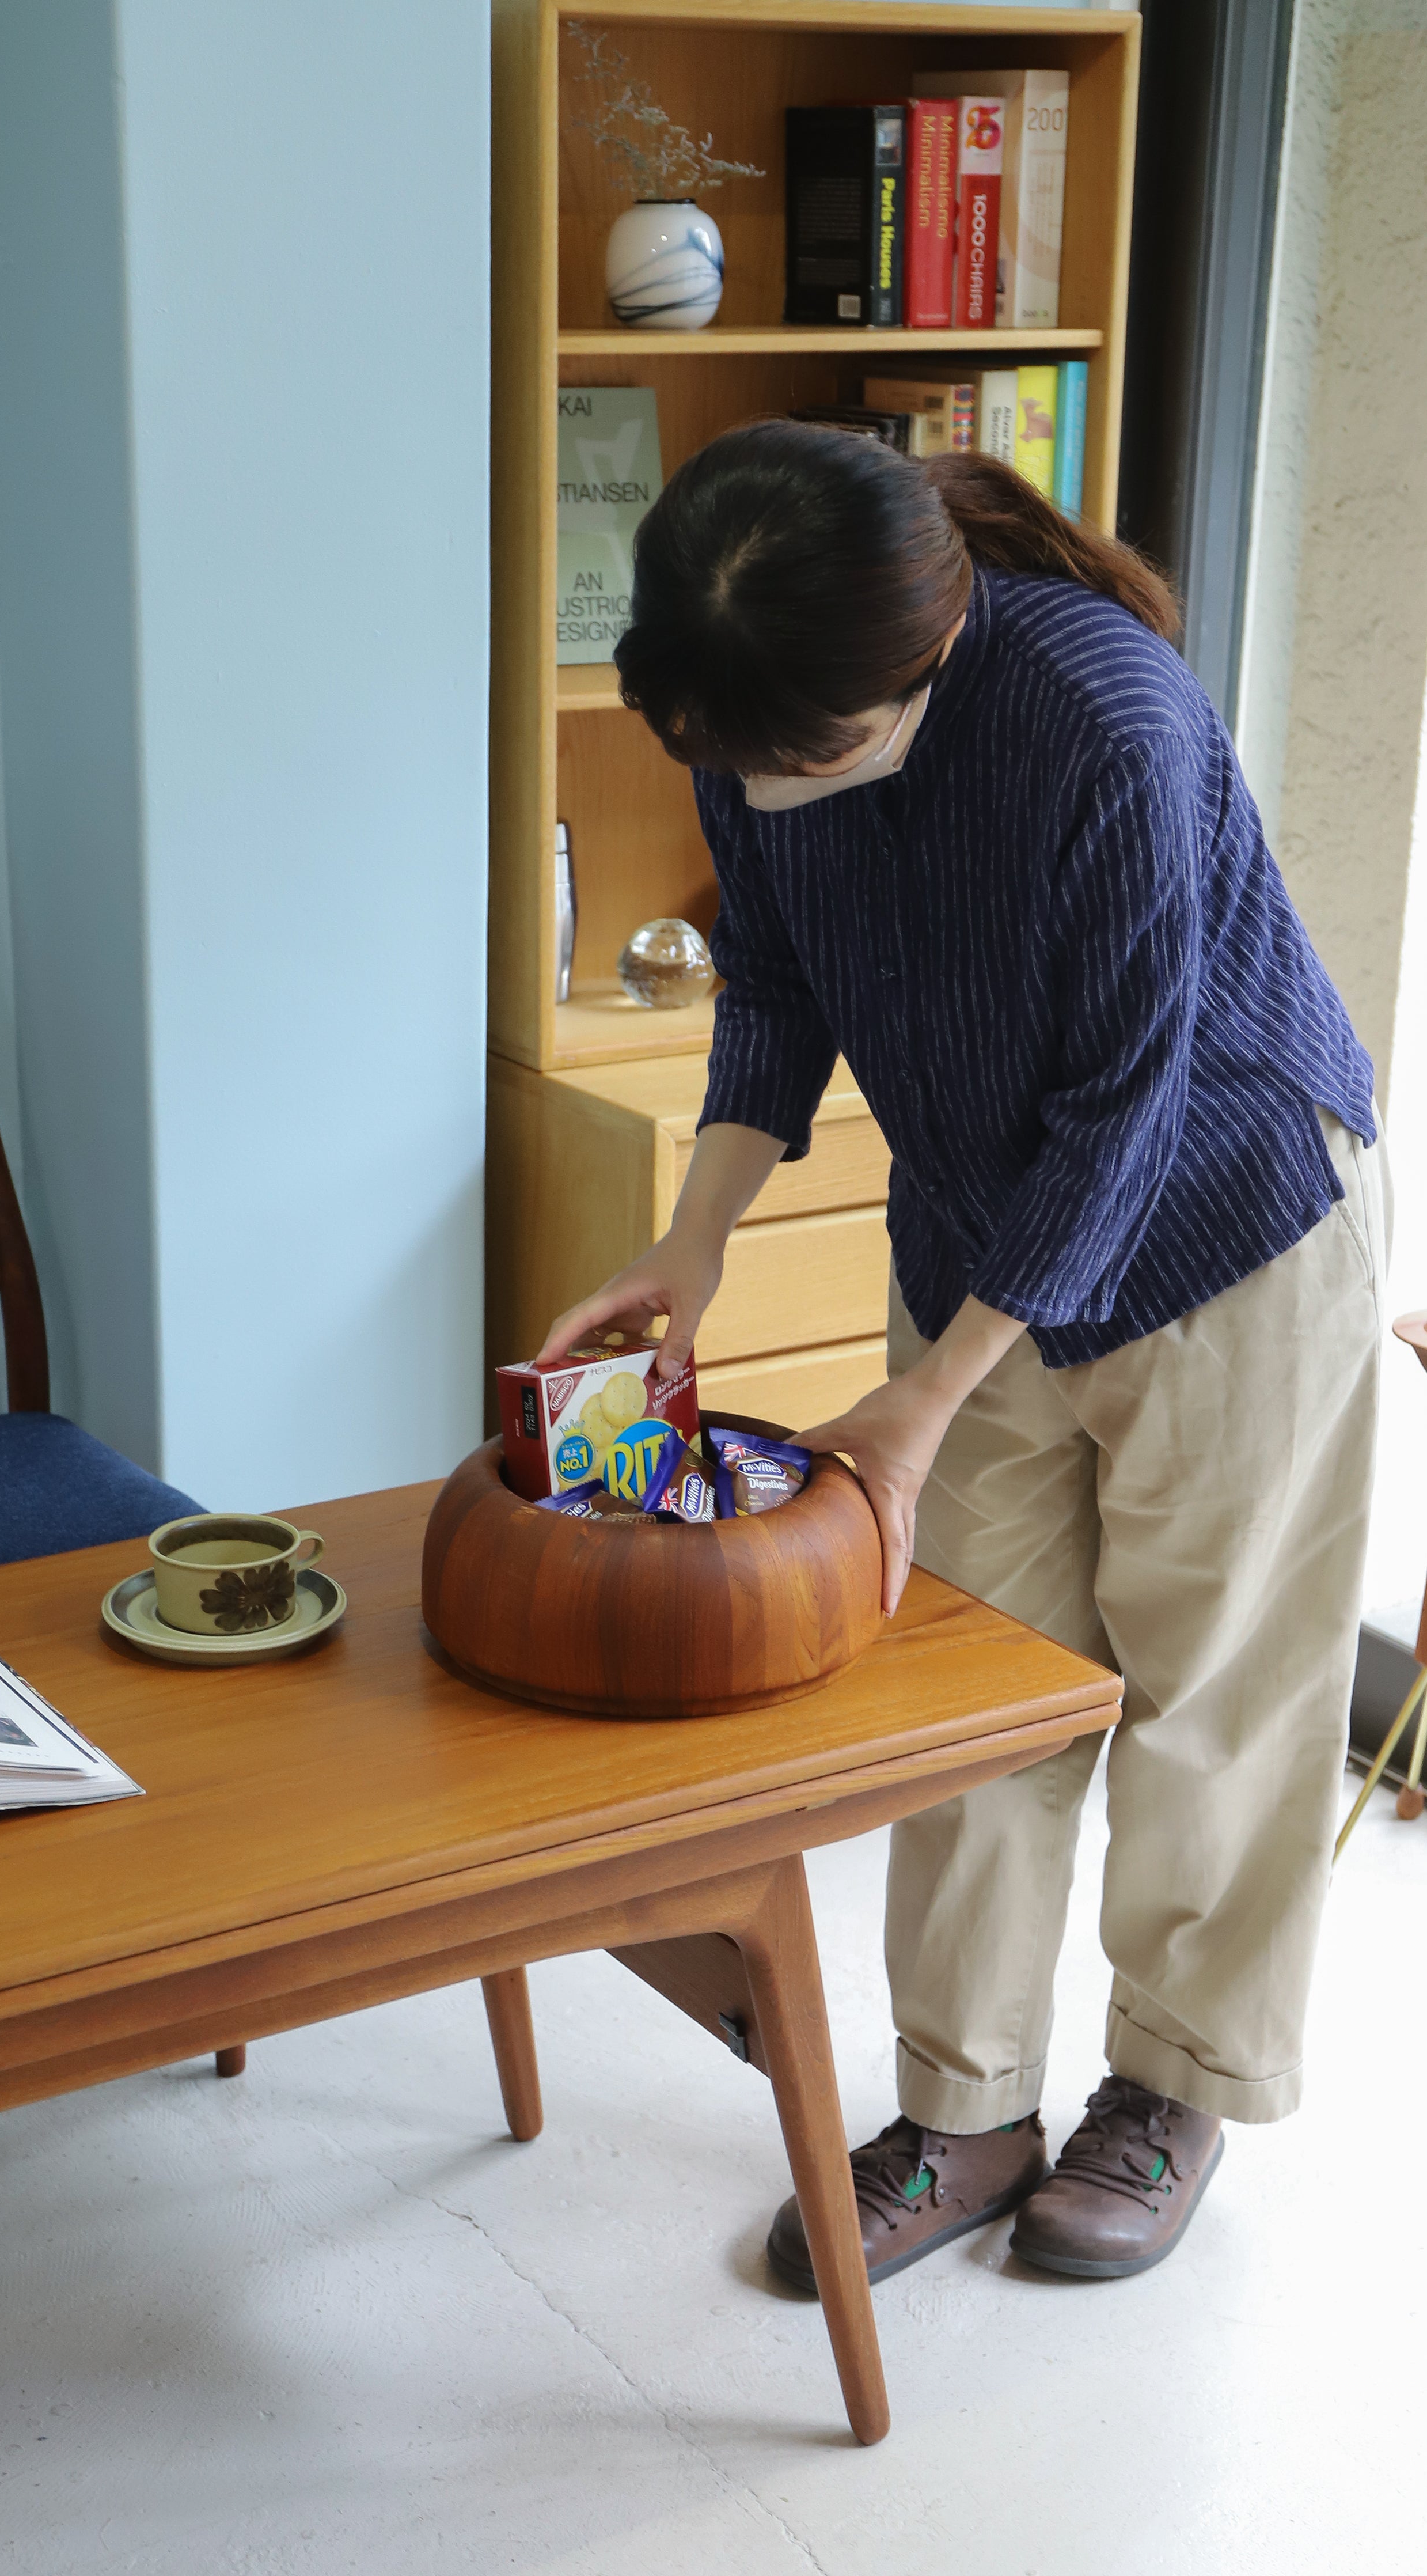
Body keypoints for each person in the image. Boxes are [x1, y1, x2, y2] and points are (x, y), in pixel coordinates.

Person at [538, 424, 1388, 2288]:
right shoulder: (760, 713)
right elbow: (770, 977)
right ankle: (967, 2100)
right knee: (965, 1691)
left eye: (804, 759)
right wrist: (696, 1239)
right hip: (981, 1223)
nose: (770, 788)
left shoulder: (1105, 725)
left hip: (1227, 1229)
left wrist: (928, 1396)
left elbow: (1122, 1106)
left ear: (920, 657)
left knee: (1214, 1695)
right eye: (737, 762)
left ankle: (1173, 2087)